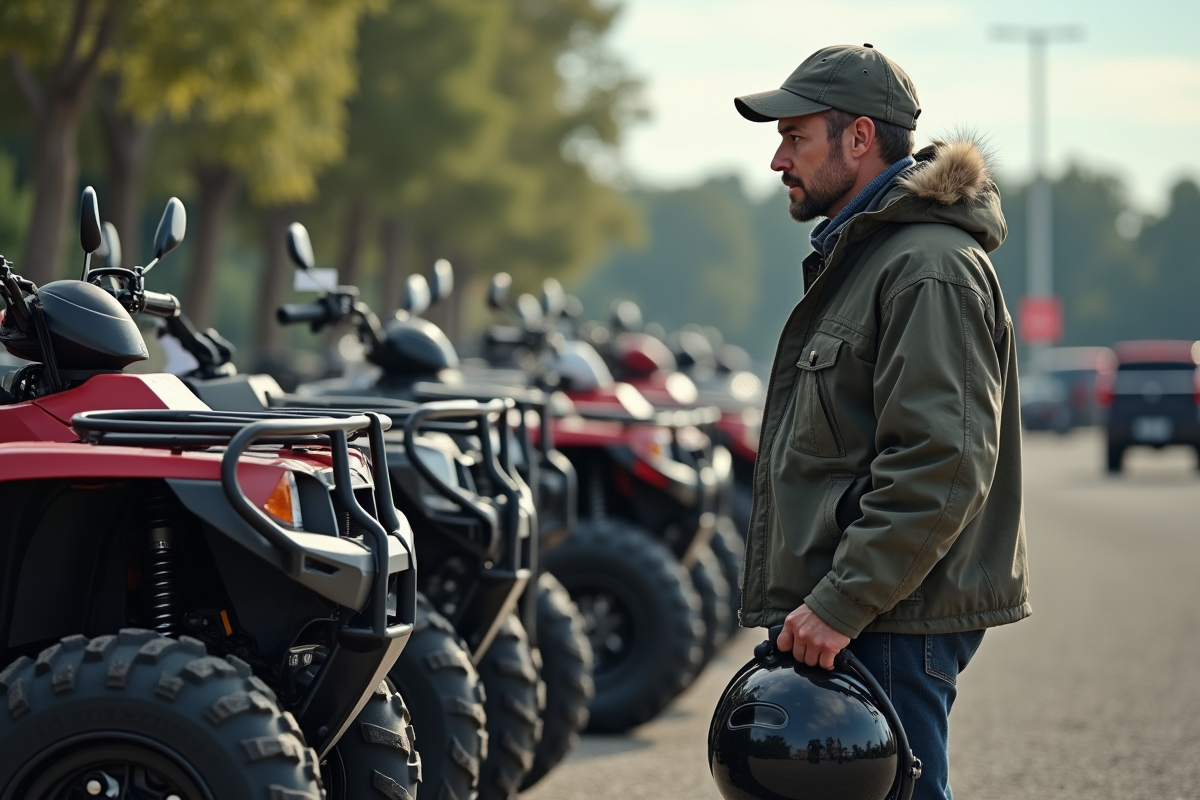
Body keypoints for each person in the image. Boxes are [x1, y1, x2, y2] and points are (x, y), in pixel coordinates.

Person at [733, 44, 1031, 800]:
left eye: (795, 137)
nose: (777, 159)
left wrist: (840, 605)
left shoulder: (927, 266)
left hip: (887, 619)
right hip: (862, 613)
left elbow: (942, 464)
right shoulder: (872, 259)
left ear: (860, 137)